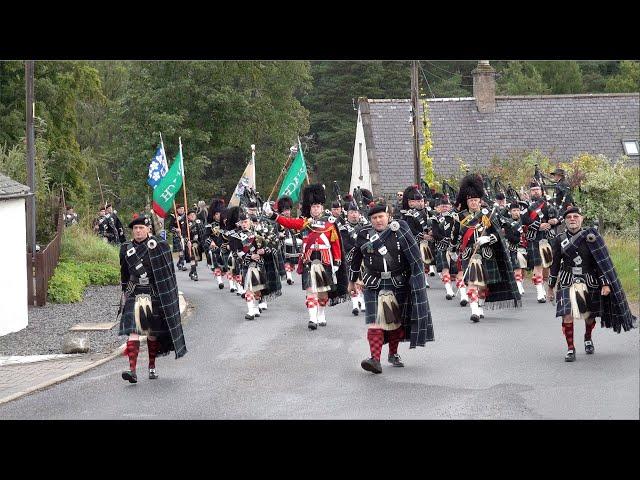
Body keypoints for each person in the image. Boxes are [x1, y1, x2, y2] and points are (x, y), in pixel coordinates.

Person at [348, 199, 434, 374]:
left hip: (397, 282)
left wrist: (416, 281)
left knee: (395, 323)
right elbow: (356, 258)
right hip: (373, 282)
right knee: (374, 323)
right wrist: (351, 281)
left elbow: (414, 257)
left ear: (388, 216)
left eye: (381, 216)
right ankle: (375, 359)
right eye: (374, 218)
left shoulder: (400, 230)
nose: (378, 220)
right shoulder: (364, 234)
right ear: (370, 220)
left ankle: (393, 353)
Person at [546, 206, 637, 362]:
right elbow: (554, 265)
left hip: (589, 280)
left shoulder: (591, 237)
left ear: (582, 219)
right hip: (567, 280)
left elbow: (601, 263)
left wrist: (605, 284)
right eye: (569, 217)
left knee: (589, 317)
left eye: (575, 216)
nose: (572, 219)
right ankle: (570, 348)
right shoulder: (559, 239)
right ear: (565, 221)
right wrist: (550, 286)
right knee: (567, 315)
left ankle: (587, 337)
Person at [263, 184, 349, 330]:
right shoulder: (305, 222)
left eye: (318, 206)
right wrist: (273, 215)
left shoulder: (330, 223)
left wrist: (337, 260)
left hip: (325, 260)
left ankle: (321, 313)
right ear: (310, 208)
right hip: (309, 260)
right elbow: (289, 222)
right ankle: (312, 318)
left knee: (322, 294)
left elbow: (335, 243)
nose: (315, 209)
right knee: (311, 291)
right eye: (313, 207)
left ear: (322, 208)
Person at [118, 214, 187, 383]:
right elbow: (124, 274)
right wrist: (124, 293)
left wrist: (167, 296)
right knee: (133, 331)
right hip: (135, 292)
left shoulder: (159, 246)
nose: (138, 231)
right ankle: (132, 370)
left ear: (148, 229)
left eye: (141, 228)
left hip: (153, 293)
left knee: (151, 333)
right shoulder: (126, 248)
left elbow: (167, 274)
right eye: (135, 228)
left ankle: (151, 366)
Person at [450, 175, 522, 323]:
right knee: (471, 283)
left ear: (480, 200)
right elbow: (455, 235)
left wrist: (488, 238)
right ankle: (474, 310)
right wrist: (452, 250)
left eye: (476, 200)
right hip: (469, 254)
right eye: (471, 200)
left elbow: (499, 234)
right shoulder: (459, 217)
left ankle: (480, 305)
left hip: (487, 253)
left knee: (482, 286)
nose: (474, 203)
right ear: (466, 201)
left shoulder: (487, 214)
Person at [522, 181, 559, 302]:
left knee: (547, 265)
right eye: (533, 190)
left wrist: (554, 221)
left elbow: (556, 216)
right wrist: (538, 226)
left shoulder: (547, 203)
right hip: (534, 237)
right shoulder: (525, 205)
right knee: (537, 265)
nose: (535, 192)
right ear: (530, 192)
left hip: (547, 236)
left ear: (541, 191)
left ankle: (544, 286)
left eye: (537, 189)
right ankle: (539, 292)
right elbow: (523, 220)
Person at [339, 199, 366, 315]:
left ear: (359, 214)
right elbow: (345, 243)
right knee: (353, 281)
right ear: (348, 214)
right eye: (351, 212)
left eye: (356, 212)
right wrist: (356, 251)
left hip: (364, 258)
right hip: (350, 258)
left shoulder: (364, 227)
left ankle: (363, 302)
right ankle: (355, 304)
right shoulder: (343, 228)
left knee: (363, 281)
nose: (354, 214)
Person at [431, 195, 458, 300]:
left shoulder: (455, 217)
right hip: (442, 246)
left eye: (446, 206)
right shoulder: (435, 218)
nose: (445, 208)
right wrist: (445, 239)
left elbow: (457, 230)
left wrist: (453, 241)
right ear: (440, 207)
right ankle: (448, 290)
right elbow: (435, 233)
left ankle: (456, 289)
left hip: (453, 246)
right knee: (444, 269)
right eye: (443, 206)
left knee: (455, 272)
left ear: (450, 206)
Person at [502, 202, 528, 295]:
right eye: (514, 210)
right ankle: (518, 285)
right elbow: (511, 237)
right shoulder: (507, 223)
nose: (516, 212)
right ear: (510, 212)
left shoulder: (524, 221)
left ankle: (520, 282)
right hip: (513, 247)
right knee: (517, 266)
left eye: (517, 210)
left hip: (525, 247)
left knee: (523, 268)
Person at [275, 196, 302, 285]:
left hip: (292, 243)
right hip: (282, 243)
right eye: (285, 210)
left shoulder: (293, 220)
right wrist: (279, 235)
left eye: (288, 210)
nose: (287, 212)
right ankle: (289, 276)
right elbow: (274, 232)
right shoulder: (278, 221)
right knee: (286, 260)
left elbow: (298, 231)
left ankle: (289, 274)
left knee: (292, 261)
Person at [205, 198, 227, 288]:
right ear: (213, 215)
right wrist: (211, 242)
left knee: (227, 267)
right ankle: (219, 281)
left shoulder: (226, 223)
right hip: (215, 247)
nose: (218, 216)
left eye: (220, 213)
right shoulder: (210, 225)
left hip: (225, 247)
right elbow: (206, 236)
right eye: (216, 214)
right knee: (216, 264)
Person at [185, 209, 205, 281]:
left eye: (193, 215)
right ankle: (195, 274)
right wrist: (187, 241)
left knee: (196, 260)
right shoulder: (186, 224)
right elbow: (184, 235)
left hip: (198, 243)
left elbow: (203, 233)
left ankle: (192, 271)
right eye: (190, 215)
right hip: (190, 243)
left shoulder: (199, 222)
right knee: (192, 258)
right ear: (188, 217)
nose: (192, 216)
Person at [168, 204, 188, 271]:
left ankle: (179, 263)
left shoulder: (186, 216)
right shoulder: (174, 217)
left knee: (184, 250)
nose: (181, 210)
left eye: (182, 208)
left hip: (185, 235)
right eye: (180, 208)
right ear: (177, 210)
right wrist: (176, 229)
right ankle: (182, 264)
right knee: (181, 250)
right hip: (177, 236)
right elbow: (170, 227)